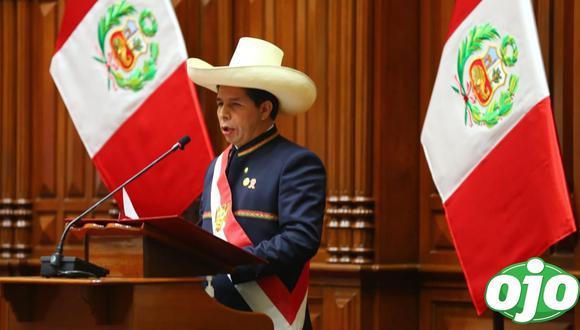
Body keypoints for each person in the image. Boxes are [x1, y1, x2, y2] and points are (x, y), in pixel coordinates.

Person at [187, 37, 326, 330]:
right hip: (211, 313)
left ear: (265, 109)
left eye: (235, 105)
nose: (223, 113)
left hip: (269, 317)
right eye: (220, 103)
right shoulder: (216, 167)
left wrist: (235, 264)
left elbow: (300, 239)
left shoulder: (296, 163)